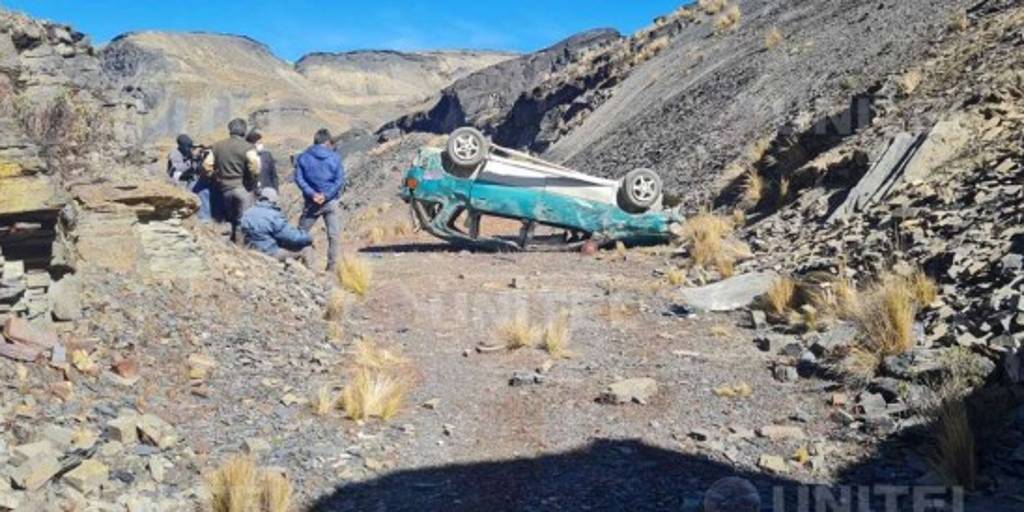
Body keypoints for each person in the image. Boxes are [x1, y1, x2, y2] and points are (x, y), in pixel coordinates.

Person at [204, 118, 261, 244]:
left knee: (229, 219)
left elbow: (207, 165)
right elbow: (255, 166)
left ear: (229, 130)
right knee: (243, 219)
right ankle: (241, 247)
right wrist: (253, 179)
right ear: (244, 131)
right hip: (243, 188)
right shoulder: (248, 147)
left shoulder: (217, 146)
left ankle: (228, 245)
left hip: (224, 188)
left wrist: (215, 177)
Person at [295, 128, 345, 271]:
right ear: (328, 142)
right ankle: (331, 268)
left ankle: (305, 263)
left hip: (311, 202)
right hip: (331, 201)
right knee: (334, 235)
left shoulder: (303, 157)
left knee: (301, 233)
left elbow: (299, 179)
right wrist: (326, 195)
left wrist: (312, 194)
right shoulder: (335, 157)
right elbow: (339, 180)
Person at [240, 188, 313, 262]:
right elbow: (292, 237)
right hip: (269, 253)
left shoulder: (247, 212)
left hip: (250, 251)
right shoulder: (273, 215)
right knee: (306, 248)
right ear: (274, 199)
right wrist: (308, 237)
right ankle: (310, 269)